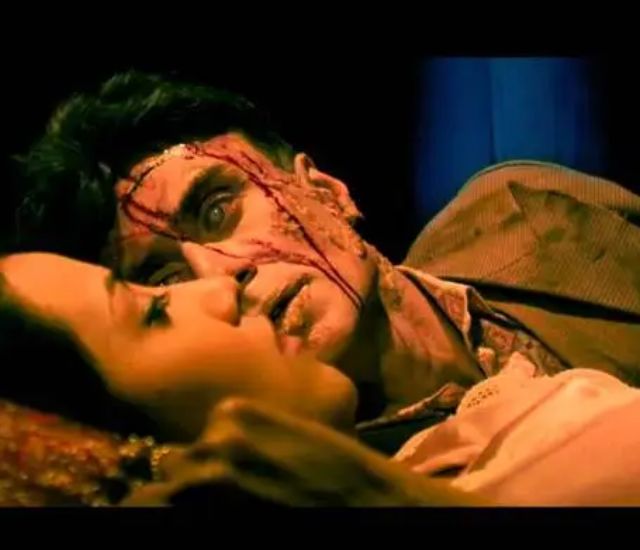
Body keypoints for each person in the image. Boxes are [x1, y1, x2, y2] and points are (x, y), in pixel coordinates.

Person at [3, 71, 640, 506]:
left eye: (218, 210)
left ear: (327, 191)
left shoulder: (528, 208)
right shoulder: (325, 481)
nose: (219, 279)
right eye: (163, 284)